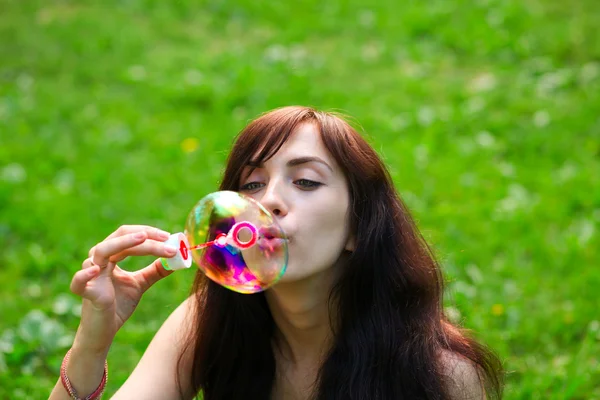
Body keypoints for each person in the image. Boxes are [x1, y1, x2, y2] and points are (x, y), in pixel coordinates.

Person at [49, 106, 503, 400]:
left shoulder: (440, 374)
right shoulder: (204, 322)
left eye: (305, 181)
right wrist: (93, 340)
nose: (267, 202)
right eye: (251, 184)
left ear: (358, 229)